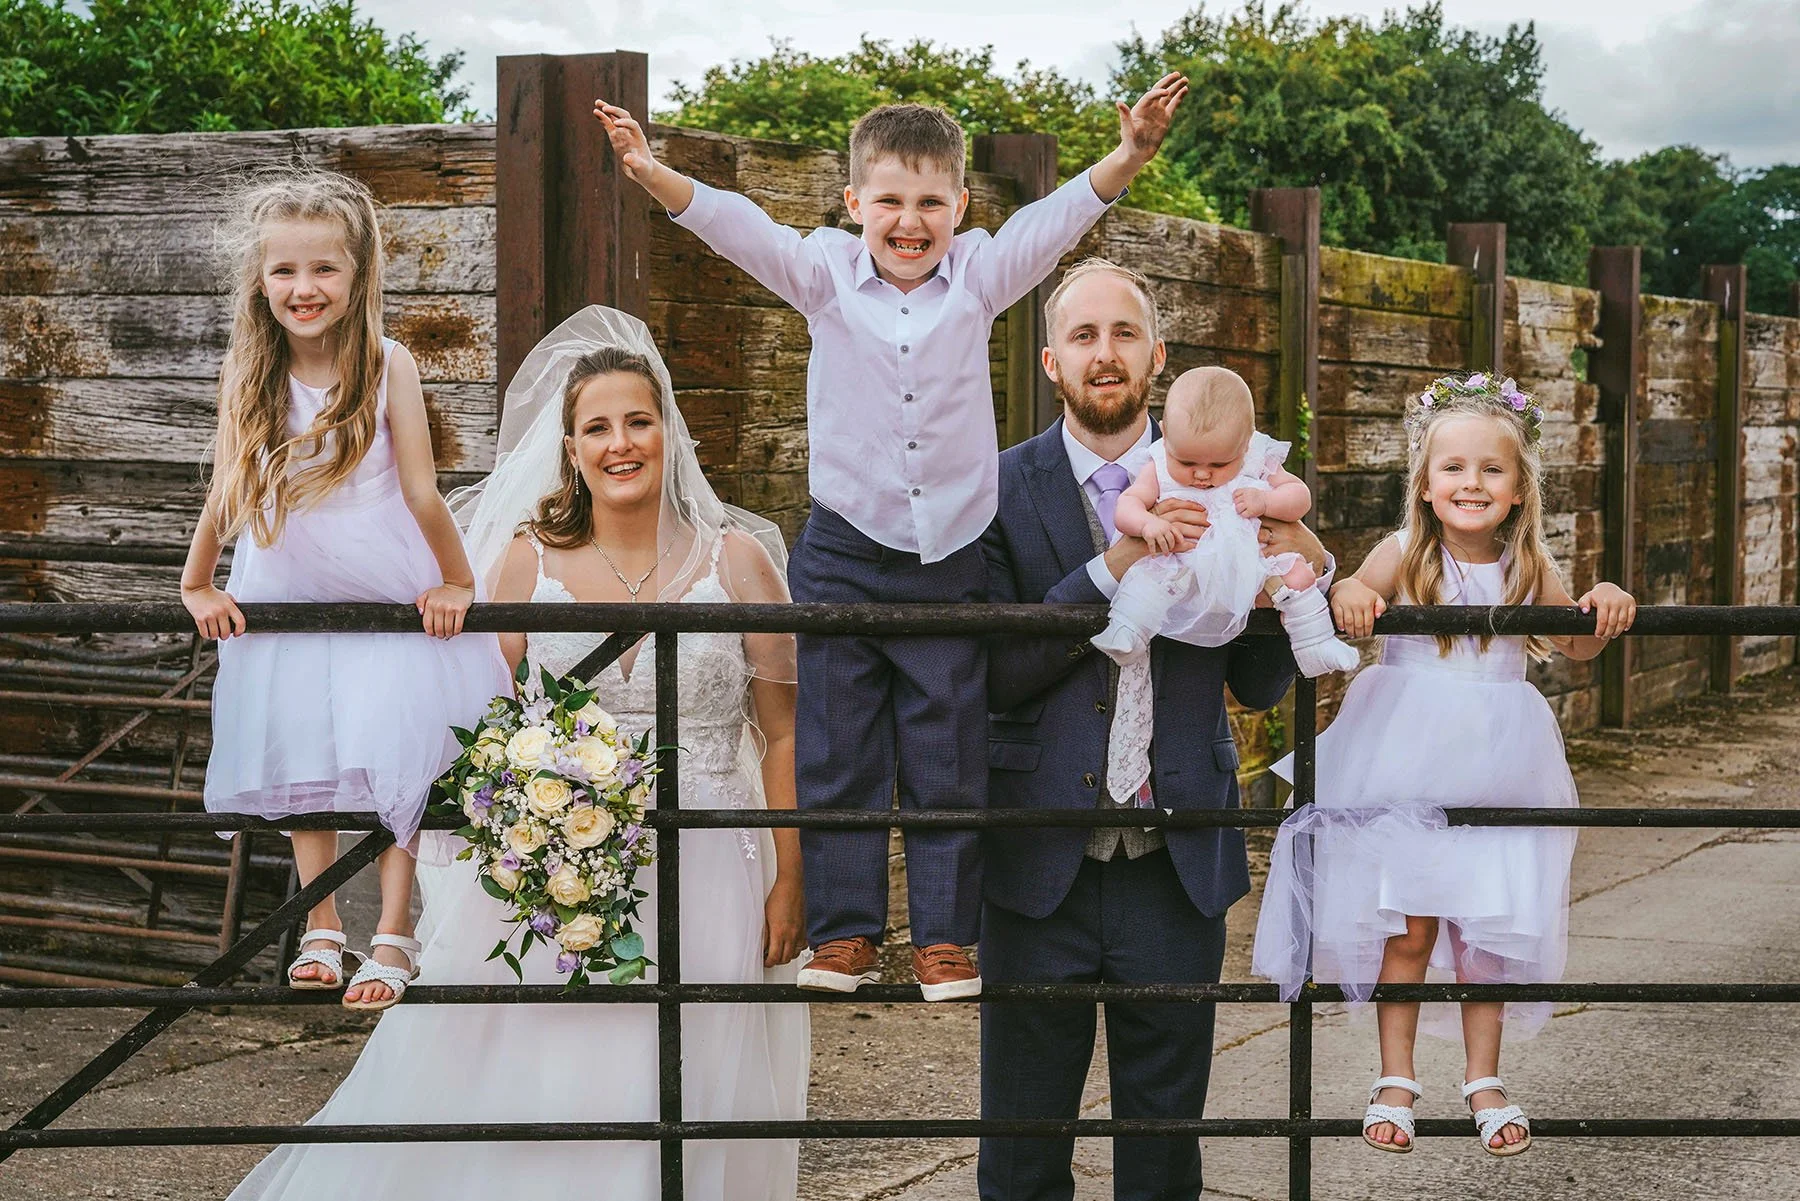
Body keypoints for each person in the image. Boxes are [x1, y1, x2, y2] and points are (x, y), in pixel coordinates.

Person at [594, 81, 1187, 998]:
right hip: (842, 545)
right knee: (838, 746)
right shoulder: (823, 273)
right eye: (891, 202)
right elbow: (736, 225)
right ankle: (845, 933)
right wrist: (649, 170)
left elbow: (1057, 220)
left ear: (959, 208)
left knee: (946, 743)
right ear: (855, 206)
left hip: (949, 551)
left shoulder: (983, 276)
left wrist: (1132, 154)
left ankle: (944, 939)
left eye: (930, 204)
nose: (910, 222)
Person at [224, 307, 809, 1201]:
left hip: (715, 863)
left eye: (639, 421)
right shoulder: (524, 565)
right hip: (560, 868)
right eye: (598, 427)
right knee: (557, 1076)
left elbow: (782, 730)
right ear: (570, 448)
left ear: (669, 432)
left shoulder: (736, 564)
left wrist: (790, 875)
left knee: (692, 1074)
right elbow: (477, 722)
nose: (622, 443)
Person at [977, 258, 1333, 1201]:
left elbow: (1258, 681)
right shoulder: (999, 487)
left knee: (1164, 1149)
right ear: (1051, 362)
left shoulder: (1236, 479)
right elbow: (992, 672)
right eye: (1084, 336)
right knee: (1019, 1145)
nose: (1105, 353)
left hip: (1177, 860)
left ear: (1157, 357)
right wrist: (1117, 561)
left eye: (1124, 334)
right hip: (1035, 854)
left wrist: (1293, 564)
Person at [1251, 372, 1636, 1157]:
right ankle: (1395, 1077)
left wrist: (1603, 604)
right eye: (1453, 467)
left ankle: (1483, 1078)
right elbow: (1353, 587)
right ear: (1425, 485)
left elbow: (1575, 640)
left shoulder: (1527, 567)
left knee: (1485, 932)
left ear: (1520, 487)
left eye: (1491, 469)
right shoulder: (1405, 554)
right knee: (1410, 928)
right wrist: (1356, 591)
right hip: (1409, 762)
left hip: (1501, 766)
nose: (1472, 482)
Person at [180, 169, 503, 1010]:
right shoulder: (249, 367)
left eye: (324, 269)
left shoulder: (388, 363)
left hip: (386, 585)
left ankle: (394, 930)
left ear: (359, 275)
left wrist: (457, 579)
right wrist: (196, 581)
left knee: (391, 748)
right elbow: (226, 487)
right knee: (306, 749)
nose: (303, 288)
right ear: (261, 279)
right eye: (285, 270)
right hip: (284, 583)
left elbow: (424, 492)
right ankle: (321, 923)